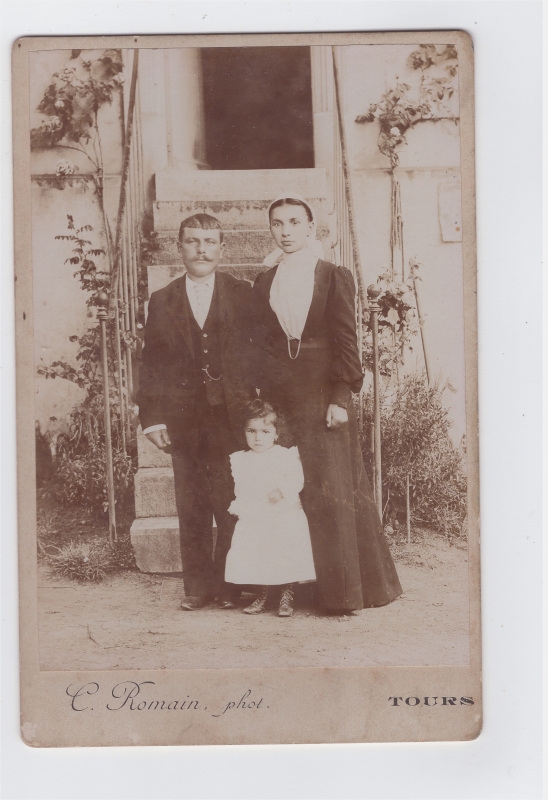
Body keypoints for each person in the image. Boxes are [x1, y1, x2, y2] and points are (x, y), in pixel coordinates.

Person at [252, 195, 403, 613]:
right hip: (283, 399)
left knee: (332, 488)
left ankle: (344, 593)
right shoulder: (265, 281)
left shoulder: (333, 276)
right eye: (277, 224)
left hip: (323, 395)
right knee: (294, 491)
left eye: (294, 222)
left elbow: (347, 344)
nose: (285, 231)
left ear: (310, 227)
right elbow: (264, 346)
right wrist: (264, 400)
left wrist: (341, 396)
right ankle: (296, 587)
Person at [137, 213, 255, 610]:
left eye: (209, 241)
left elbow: (261, 355)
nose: (201, 249)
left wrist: (257, 409)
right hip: (183, 419)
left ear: (222, 248)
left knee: (230, 499)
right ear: (179, 248)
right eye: (192, 241)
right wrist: (151, 418)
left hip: (231, 415)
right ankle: (198, 587)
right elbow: (151, 363)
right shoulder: (163, 300)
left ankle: (231, 584)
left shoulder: (244, 293)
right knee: (191, 502)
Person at [224, 399, 316, 617]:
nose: (257, 438)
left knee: (285, 551)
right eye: (251, 431)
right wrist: (244, 504)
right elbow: (241, 487)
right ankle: (264, 594)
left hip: (283, 515)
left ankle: (287, 594)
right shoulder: (241, 459)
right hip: (257, 517)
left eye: (265, 431)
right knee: (260, 553)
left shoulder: (284, 455)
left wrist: (282, 490)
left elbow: (297, 479)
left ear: (276, 433)